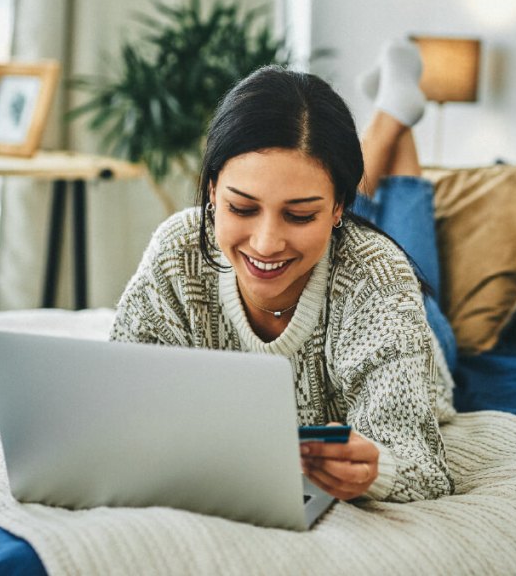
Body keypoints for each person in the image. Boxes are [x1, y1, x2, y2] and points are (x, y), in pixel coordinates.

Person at [110, 46, 455, 503]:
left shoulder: (381, 278)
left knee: (405, 259)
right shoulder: (178, 250)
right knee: (334, 240)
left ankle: (392, 116)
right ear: (212, 189)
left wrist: (377, 471)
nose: (265, 243)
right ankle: (394, 112)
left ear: (337, 208)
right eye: (241, 207)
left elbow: (423, 467)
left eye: (299, 215)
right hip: (333, 254)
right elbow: (117, 400)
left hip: (420, 330)